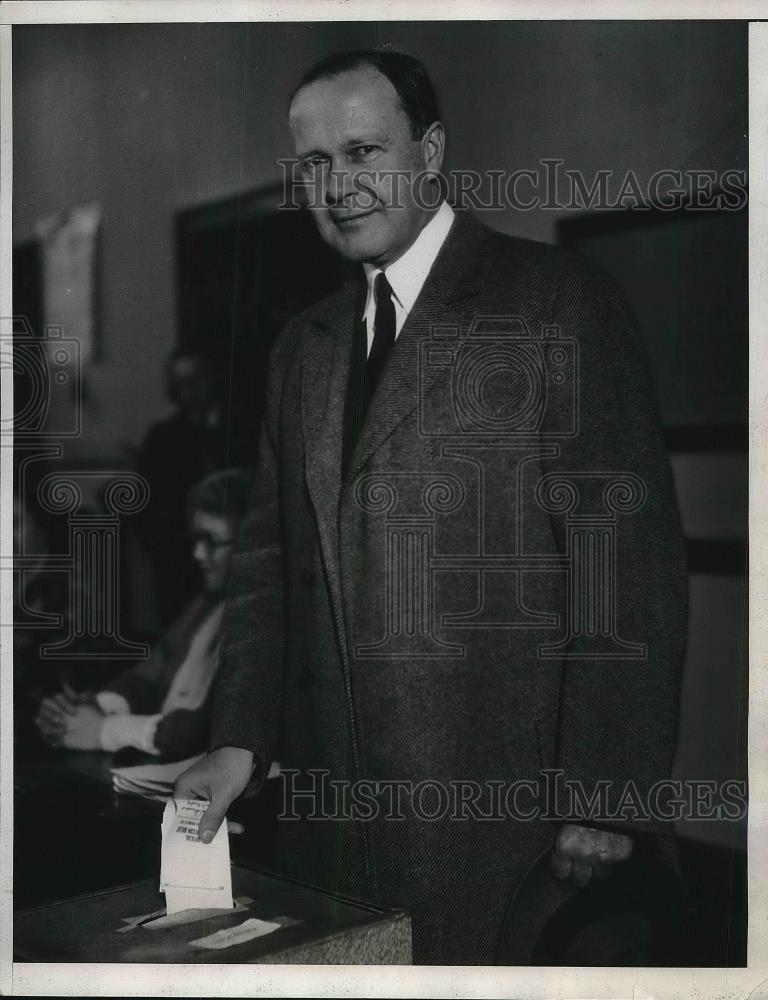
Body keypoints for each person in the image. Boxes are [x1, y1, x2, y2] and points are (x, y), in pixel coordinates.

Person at [175, 51, 688, 964]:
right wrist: (239, 741)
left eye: (364, 151)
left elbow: (628, 567)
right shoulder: (304, 346)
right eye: (314, 165)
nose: (338, 186)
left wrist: (608, 797)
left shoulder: (556, 304)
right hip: (332, 823)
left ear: (433, 150)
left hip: (509, 824)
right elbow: (263, 565)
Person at [34, 468, 255, 762]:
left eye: (212, 541)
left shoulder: (263, 624)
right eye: (196, 539)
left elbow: (207, 728)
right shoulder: (204, 606)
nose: (198, 555)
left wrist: (103, 729)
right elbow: (145, 679)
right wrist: (80, 712)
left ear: (250, 546)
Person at [134, 349, 230, 625]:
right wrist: (165, 553)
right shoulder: (162, 438)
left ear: (213, 378)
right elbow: (146, 506)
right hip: (179, 564)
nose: (189, 390)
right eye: (180, 382)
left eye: (197, 379)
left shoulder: (243, 428)